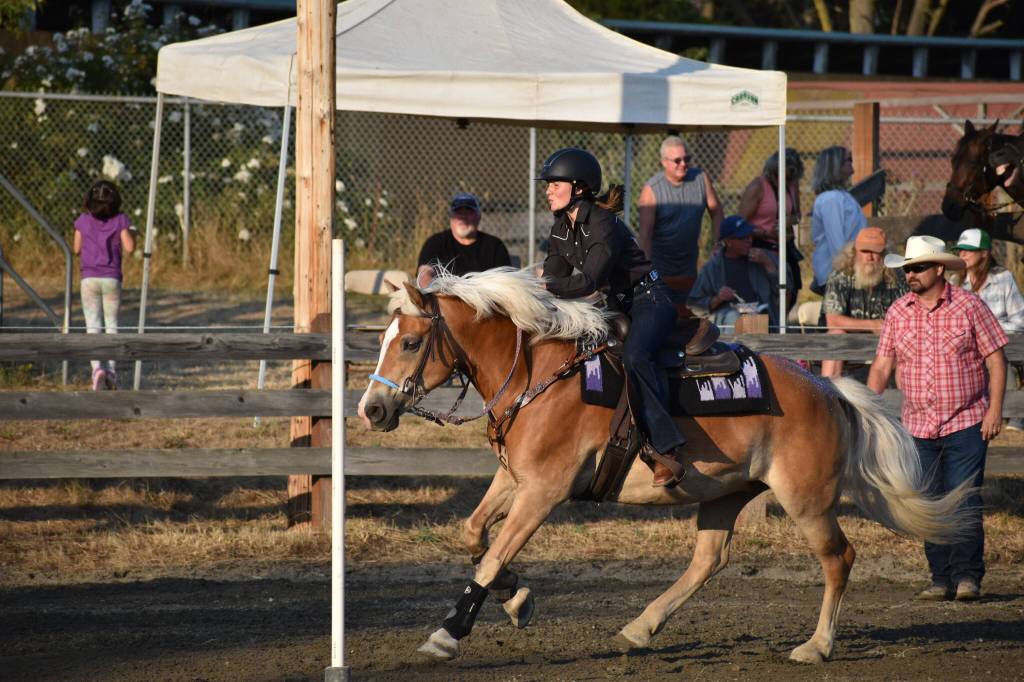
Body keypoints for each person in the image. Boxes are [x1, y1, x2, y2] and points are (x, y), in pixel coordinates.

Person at [539, 147, 715, 488]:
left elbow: (587, 280)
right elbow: (552, 279)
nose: (547, 190)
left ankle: (667, 448)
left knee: (635, 356)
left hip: (650, 300)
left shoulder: (603, 224)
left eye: (554, 183)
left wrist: (547, 287)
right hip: (616, 305)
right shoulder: (560, 228)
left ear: (578, 187)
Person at [867, 235, 1007, 603]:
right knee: (928, 500)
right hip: (917, 424)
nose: (910, 274)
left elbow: (995, 359)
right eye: (907, 268)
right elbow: (882, 366)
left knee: (962, 499)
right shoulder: (898, 311)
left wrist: (994, 409)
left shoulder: (970, 306)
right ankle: (940, 576)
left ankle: (966, 576)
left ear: (939, 269)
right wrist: (867, 409)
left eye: (917, 267)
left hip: (967, 420)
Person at [637, 135, 724, 305]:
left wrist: (717, 243)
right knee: (663, 320)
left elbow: (717, 211)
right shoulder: (652, 190)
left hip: (689, 269)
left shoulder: (700, 179)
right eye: (677, 160)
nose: (683, 164)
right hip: (661, 270)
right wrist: (645, 273)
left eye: (687, 159)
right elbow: (645, 236)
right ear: (664, 162)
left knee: (688, 320)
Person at [954, 228, 1024, 431]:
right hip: (966, 349)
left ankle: (1011, 417)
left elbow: (1020, 321)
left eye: (969, 250)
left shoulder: (1003, 278)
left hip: (1001, 348)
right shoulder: (953, 283)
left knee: (1000, 359)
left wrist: (986, 329)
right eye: (960, 250)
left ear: (984, 253)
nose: (963, 254)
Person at [819, 227, 908, 378]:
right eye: (864, 251)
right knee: (836, 335)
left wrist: (888, 330)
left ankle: (904, 398)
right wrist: (873, 325)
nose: (870, 257)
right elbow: (832, 321)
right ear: (855, 252)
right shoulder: (840, 276)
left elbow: (908, 315)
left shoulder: (898, 278)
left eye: (875, 252)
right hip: (848, 340)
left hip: (887, 341)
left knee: (904, 342)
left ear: (885, 254)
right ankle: (829, 393)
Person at [73, 180, 135, 390]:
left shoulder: (82, 220)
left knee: (93, 324)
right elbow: (130, 248)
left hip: (89, 279)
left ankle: (96, 369)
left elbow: (76, 248)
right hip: (112, 279)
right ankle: (111, 371)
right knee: (112, 324)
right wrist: (129, 230)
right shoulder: (120, 220)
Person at [738, 147, 805, 307]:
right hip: (761, 247)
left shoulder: (792, 184)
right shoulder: (758, 187)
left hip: (784, 247)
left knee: (791, 290)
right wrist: (765, 233)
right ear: (774, 170)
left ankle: (781, 328)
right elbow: (739, 225)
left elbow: (797, 214)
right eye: (782, 176)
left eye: (791, 178)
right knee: (767, 297)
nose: (786, 182)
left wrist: (789, 221)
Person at [687, 215, 780, 330]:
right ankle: (732, 348)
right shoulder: (713, 268)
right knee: (733, 317)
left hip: (759, 318)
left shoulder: (762, 258)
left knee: (759, 317)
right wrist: (718, 299)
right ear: (728, 241)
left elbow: (783, 291)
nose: (749, 241)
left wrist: (768, 264)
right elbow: (694, 305)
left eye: (750, 236)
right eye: (743, 238)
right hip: (728, 321)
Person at [416, 192, 511, 287]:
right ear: (451, 217)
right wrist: (431, 293)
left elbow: (505, 281)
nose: (463, 217)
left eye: (469, 212)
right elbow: (425, 274)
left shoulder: (495, 246)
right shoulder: (435, 243)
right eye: (458, 212)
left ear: (479, 217)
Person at [810, 146, 866, 295]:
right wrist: (847, 273)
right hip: (839, 274)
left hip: (849, 270)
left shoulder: (841, 195)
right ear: (836, 165)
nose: (852, 165)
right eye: (849, 160)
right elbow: (836, 241)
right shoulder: (831, 199)